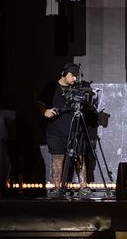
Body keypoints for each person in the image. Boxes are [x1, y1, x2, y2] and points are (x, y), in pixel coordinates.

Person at [37, 62, 89, 196]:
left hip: (75, 130)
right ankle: (56, 188)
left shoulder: (78, 87)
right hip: (56, 131)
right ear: (64, 74)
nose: (75, 79)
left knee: (79, 157)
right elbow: (40, 103)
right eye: (72, 75)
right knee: (57, 159)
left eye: (77, 76)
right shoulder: (52, 87)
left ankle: (83, 187)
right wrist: (44, 111)